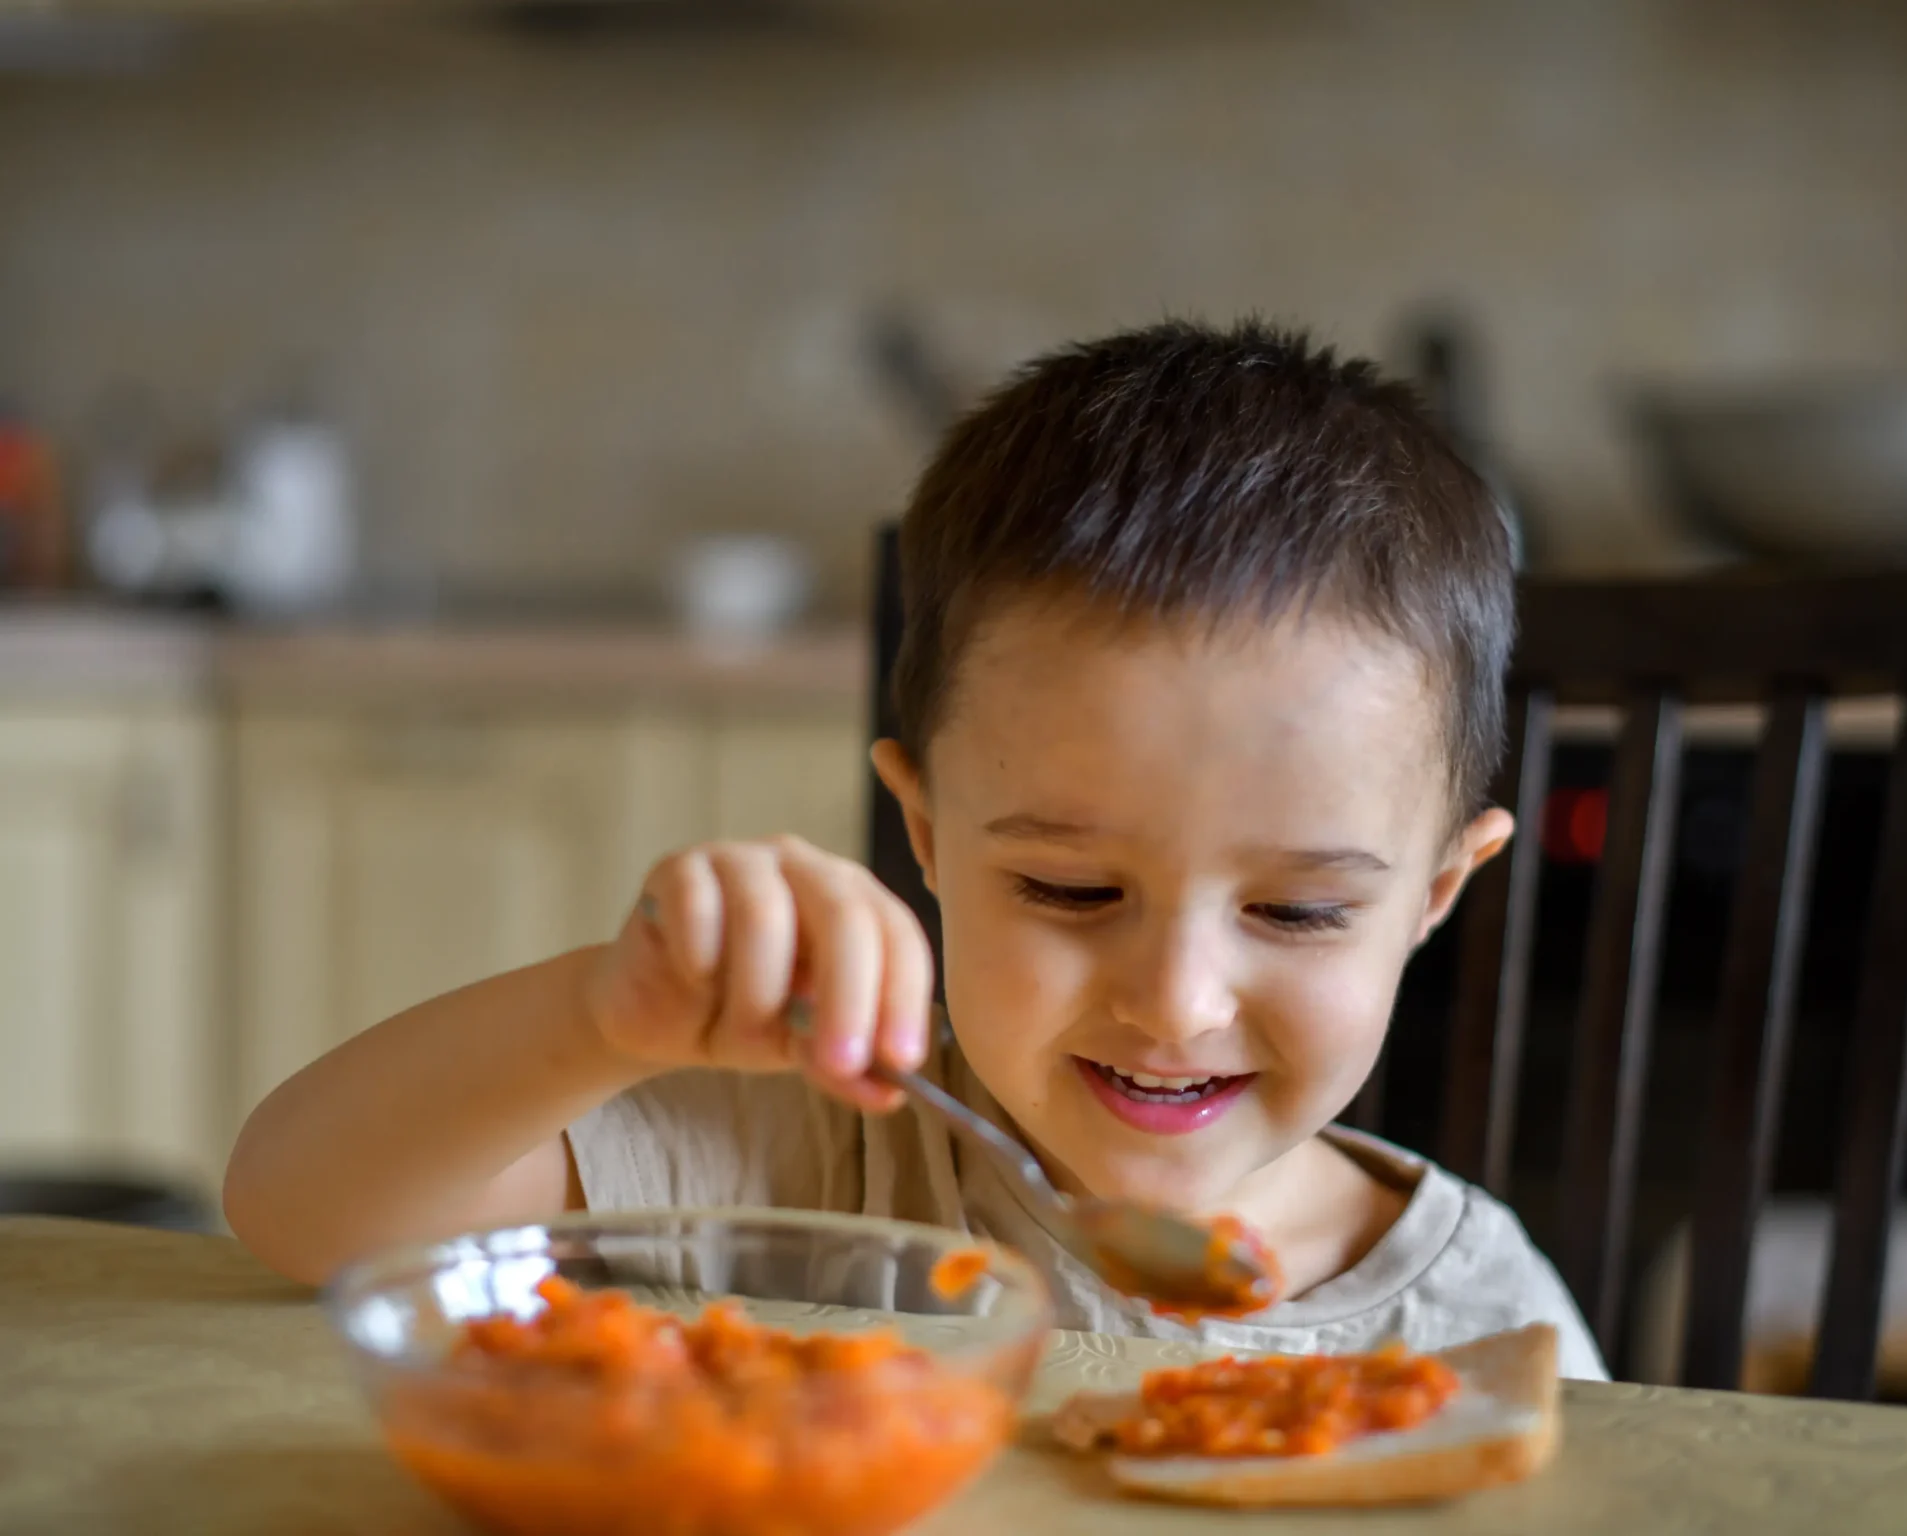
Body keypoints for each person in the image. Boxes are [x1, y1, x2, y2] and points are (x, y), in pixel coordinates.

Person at [223, 318, 1606, 1379]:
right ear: (926, 837)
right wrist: (604, 1014)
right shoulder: (819, 1162)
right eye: (1071, 888)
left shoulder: (1481, 1331)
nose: (1175, 1001)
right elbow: (302, 1211)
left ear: (1435, 894)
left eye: (1299, 912)